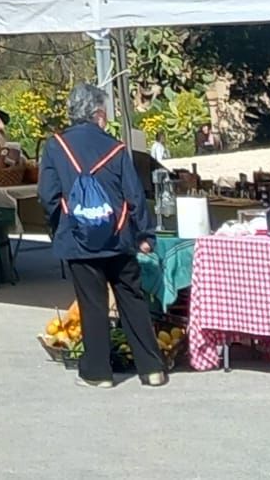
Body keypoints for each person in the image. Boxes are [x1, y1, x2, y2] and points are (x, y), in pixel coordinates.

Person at [39, 81, 165, 389]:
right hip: (119, 238)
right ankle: (152, 369)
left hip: (79, 240)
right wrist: (144, 234)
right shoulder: (117, 147)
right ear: (98, 113)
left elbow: (47, 195)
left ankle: (98, 373)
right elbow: (134, 195)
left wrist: (63, 227)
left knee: (92, 304)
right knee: (132, 300)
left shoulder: (56, 146)